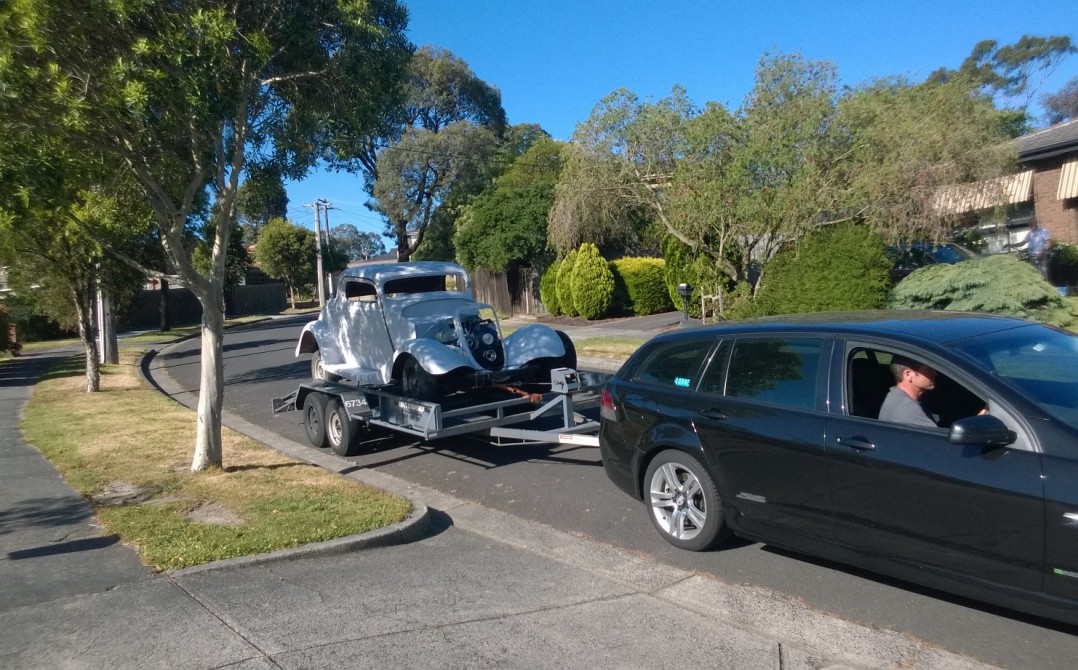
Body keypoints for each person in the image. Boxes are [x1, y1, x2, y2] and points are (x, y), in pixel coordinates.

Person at [877, 356, 939, 427]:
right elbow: (937, 434)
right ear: (908, 374)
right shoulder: (906, 408)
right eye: (928, 370)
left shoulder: (895, 395)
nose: (935, 373)